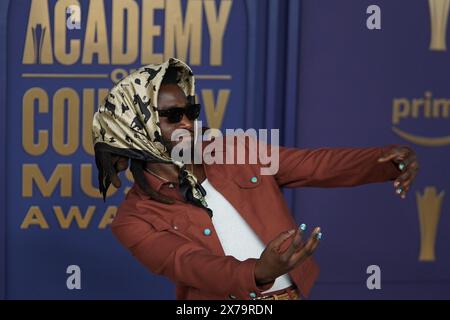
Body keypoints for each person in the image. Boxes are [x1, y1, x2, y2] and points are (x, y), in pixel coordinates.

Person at [92, 58, 419, 300]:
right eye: (173, 117)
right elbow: (189, 264)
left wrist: (384, 160)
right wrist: (258, 271)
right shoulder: (132, 220)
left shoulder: (236, 151)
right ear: (137, 130)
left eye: (190, 112)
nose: (189, 124)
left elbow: (314, 165)